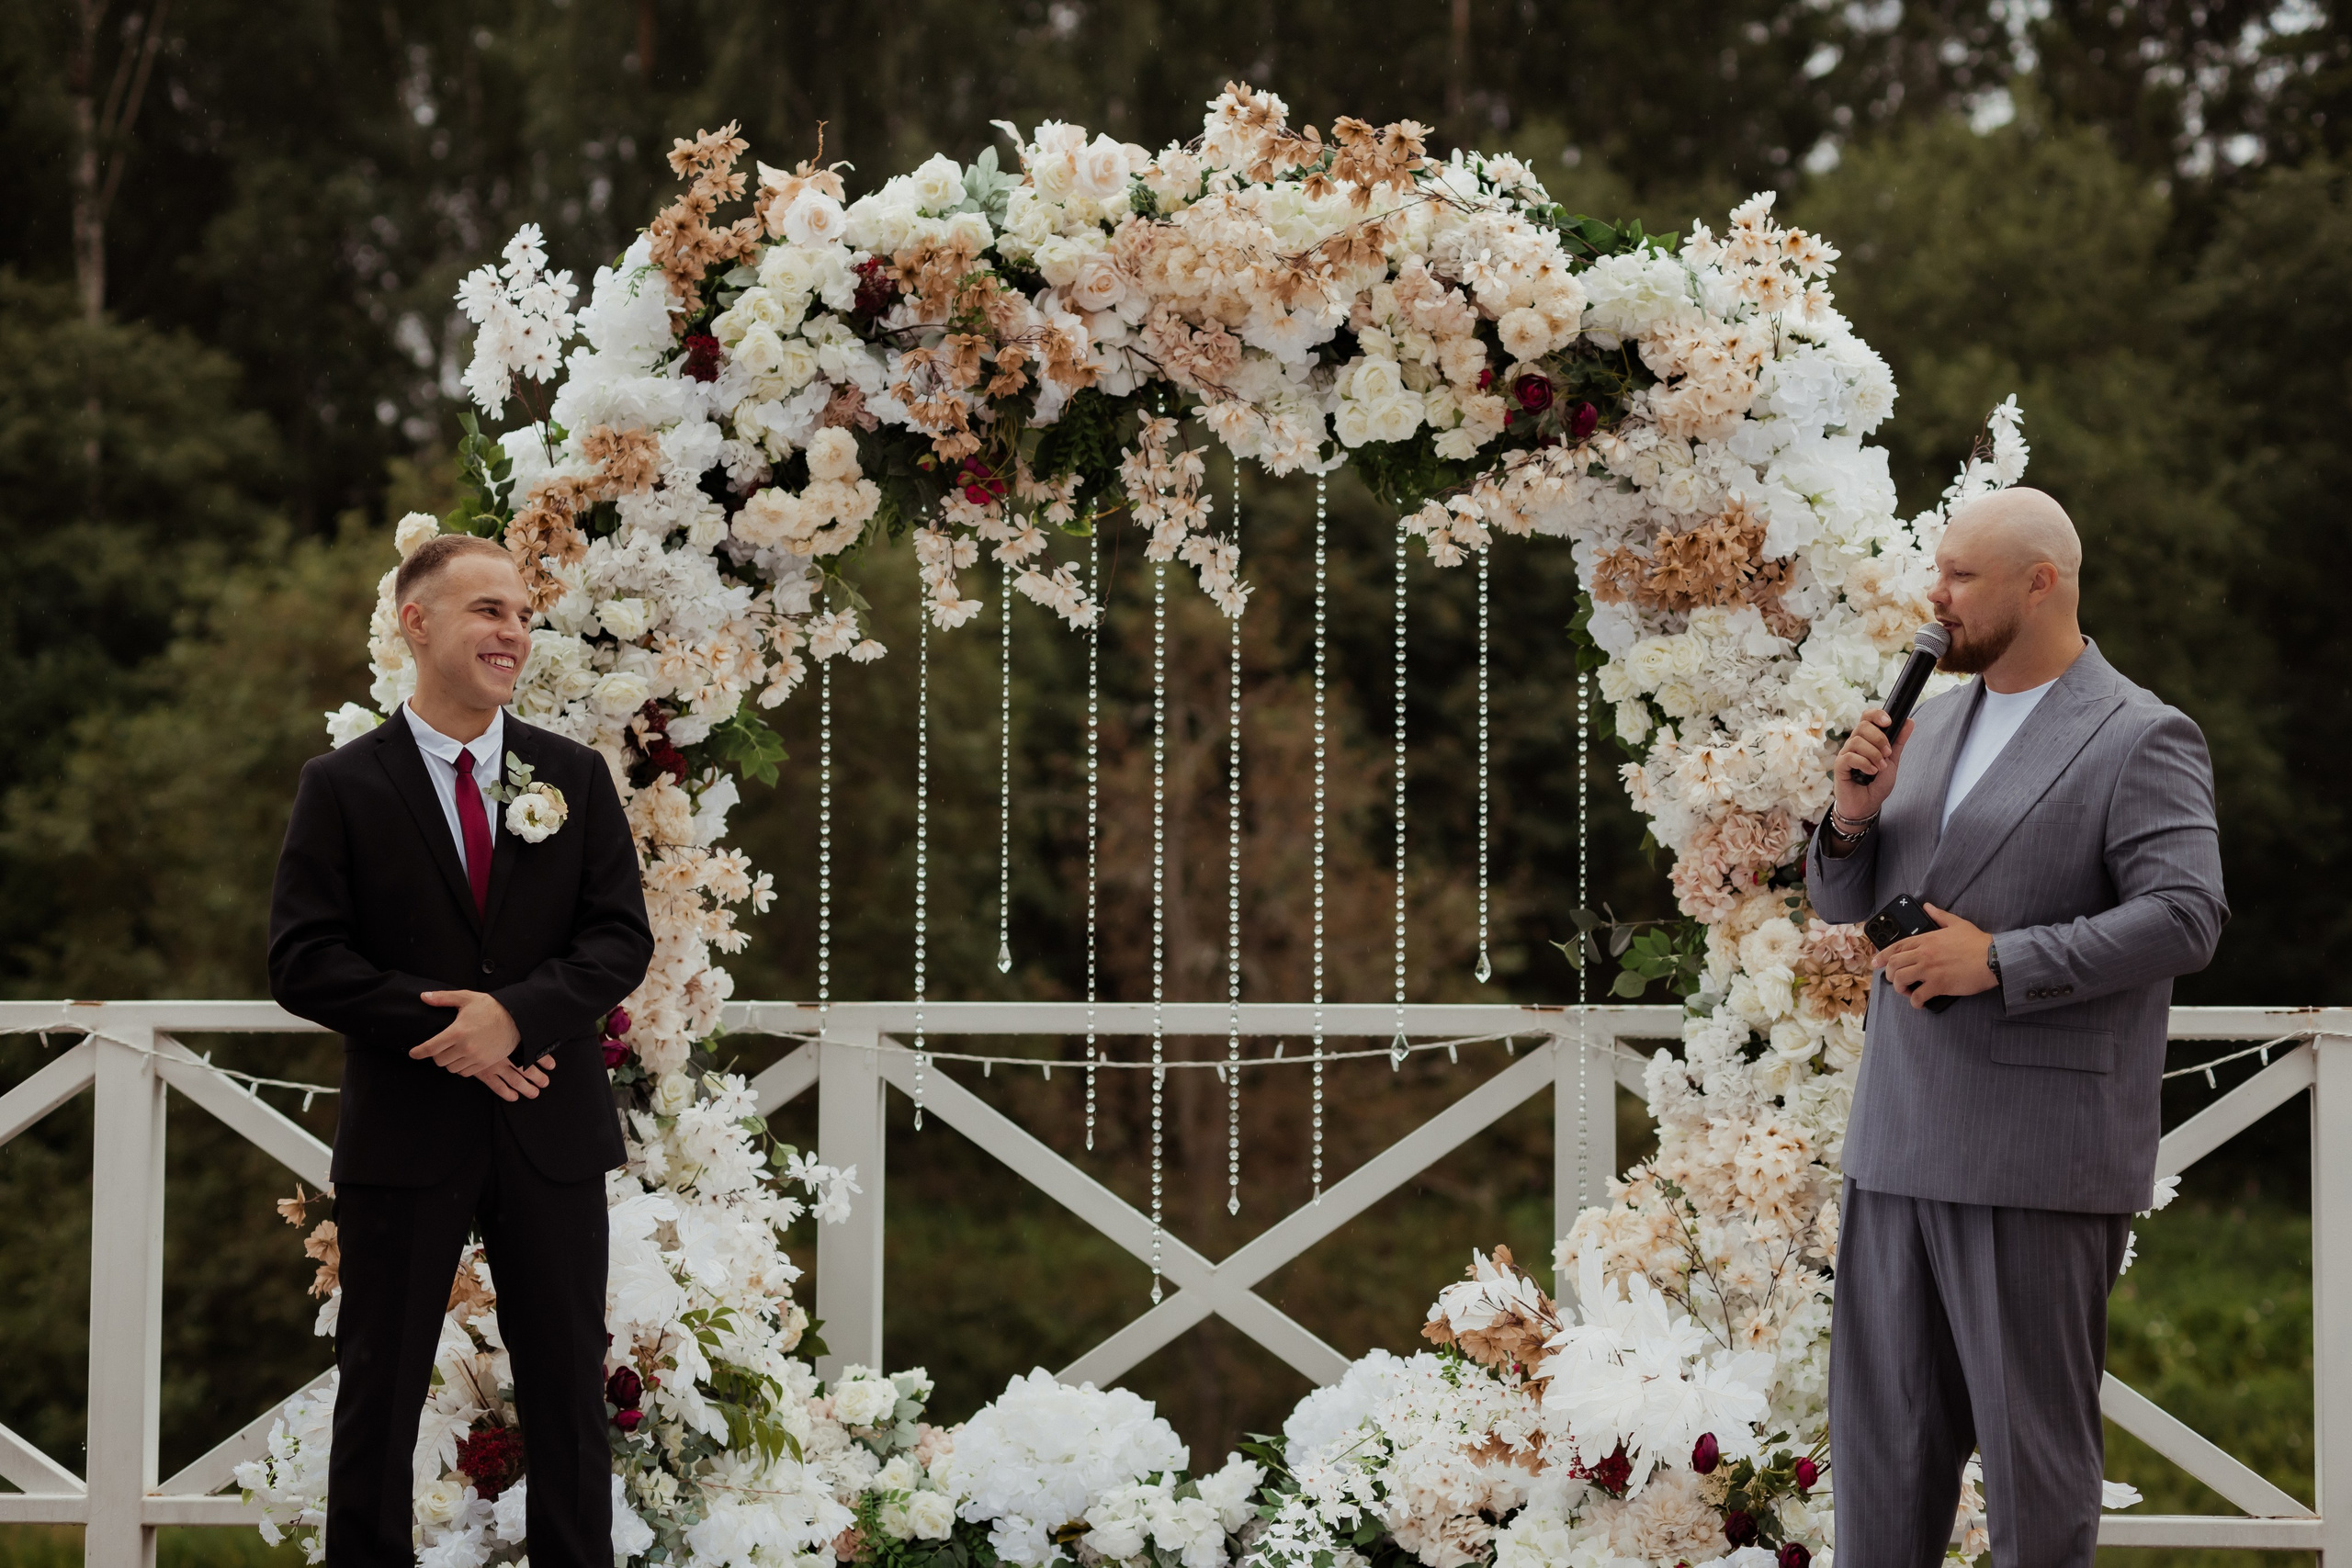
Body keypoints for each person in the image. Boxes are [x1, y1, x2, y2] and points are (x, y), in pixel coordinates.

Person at [1804, 487, 2227, 1566]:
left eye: (1959, 578)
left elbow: (2187, 914)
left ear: (2043, 582)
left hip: (2033, 1157)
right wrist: (1852, 814)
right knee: (1881, 1463)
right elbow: (1840, 902)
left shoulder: (2140, 734)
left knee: (2034, 1476)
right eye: (1936, 571)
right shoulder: (1925, 722)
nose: (1932, 598)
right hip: (1896, 1143)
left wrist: (1999, 960)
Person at [268, 535, 652, 1566]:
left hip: (550, 1132)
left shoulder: (570, 775)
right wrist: (459, 1034)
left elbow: (620, 937)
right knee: (379, 1395)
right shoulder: (342, 785)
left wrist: (515, 1017)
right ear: (416, 622)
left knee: (570, 1394)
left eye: (522, 614)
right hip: (406, 1136)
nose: (513, 632)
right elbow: (304, 961)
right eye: (488, 610)